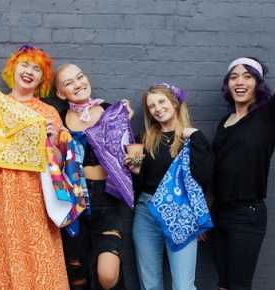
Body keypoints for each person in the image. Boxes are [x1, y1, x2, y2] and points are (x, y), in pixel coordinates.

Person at [0, 45, 70, 290]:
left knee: (35, 249)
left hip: (33, 195)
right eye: (25, 64)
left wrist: (53, 143)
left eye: (37, 69)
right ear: (13, 68)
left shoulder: (48, 112)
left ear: (42, 79)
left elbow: (59, 163)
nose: (29, 72)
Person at [54, 63, 134, 290]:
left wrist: (124, 122)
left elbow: (129, 155)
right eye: (69, 83)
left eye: (80, 77)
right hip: (73, 201)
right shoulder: (59, 119)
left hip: (107, 201)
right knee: (77, 273)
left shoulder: (111, 111)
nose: (78, 84)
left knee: (108, 276)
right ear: (61, 93)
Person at [129, 84, 212, 290]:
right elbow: (137, 186)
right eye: (151, 106)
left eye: (161, 102)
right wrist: (136, 172)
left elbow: (204, 177)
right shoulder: (144, 140)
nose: (157, 108)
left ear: (174, 102)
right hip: (146, 213)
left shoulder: (191, 139)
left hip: (182, 212)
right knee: (150, 285)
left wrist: (196, 137)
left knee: (183, 285)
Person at [212, 57, 273, 290]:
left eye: (247, 76)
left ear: (258, 83)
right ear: (227, 84)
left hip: (247, 214)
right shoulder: (223, 122)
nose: (240, 82)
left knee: (238, 285)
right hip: (220, 213)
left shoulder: (267, 117)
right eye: (234, 76)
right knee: (224, 284)